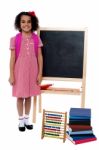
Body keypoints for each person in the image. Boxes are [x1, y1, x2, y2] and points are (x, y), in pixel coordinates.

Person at [9, 11, 43, 132]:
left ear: (33, 23)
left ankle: (27, 119)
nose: (26, 24)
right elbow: (12, 58)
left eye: (29, 21)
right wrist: (11, 74)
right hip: (19, 71)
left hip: (32, 71)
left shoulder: (36, 38)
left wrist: (40, 73)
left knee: (28, 96)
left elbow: (39, 56)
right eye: (23, 22)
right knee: (20, 96)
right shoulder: (15, 39)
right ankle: (20, 121)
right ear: (19, 24)